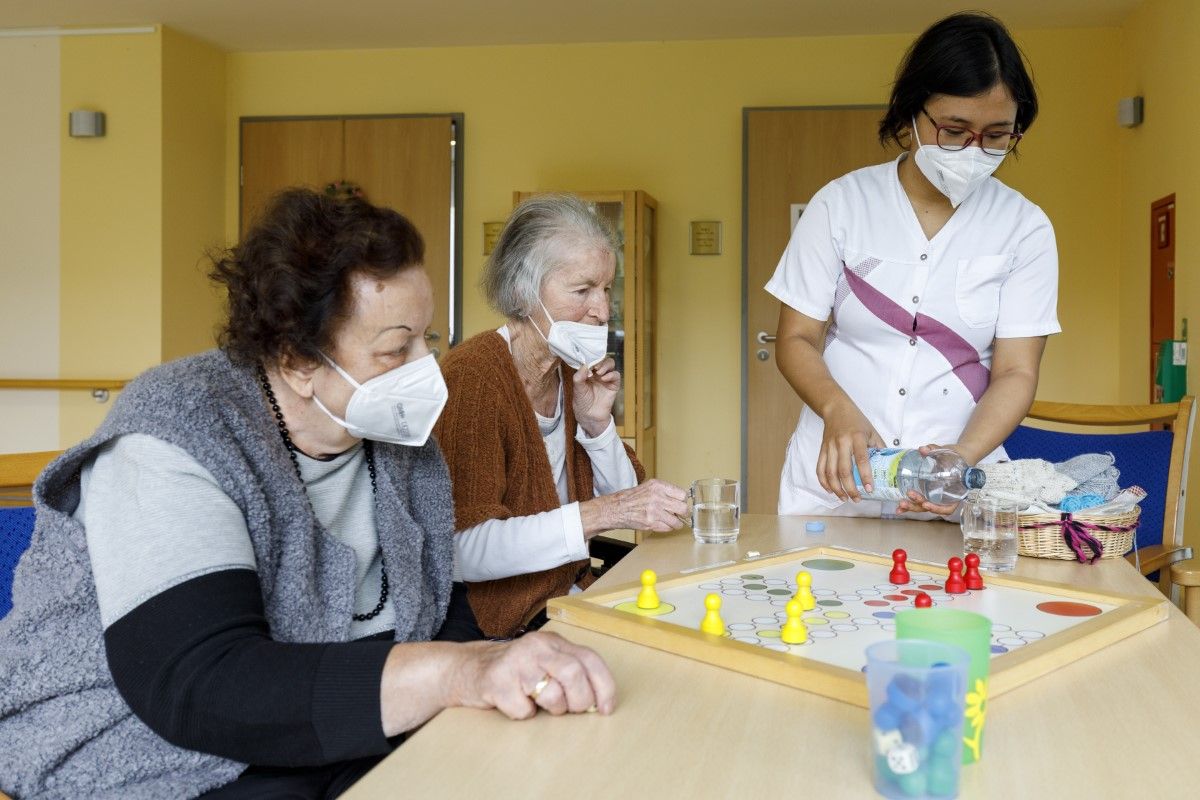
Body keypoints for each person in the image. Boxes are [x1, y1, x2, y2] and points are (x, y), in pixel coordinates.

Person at [0, 189, 615, 799]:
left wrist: (496, 664)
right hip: (151, 745)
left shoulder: (394, 436)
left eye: (426, 339)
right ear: (296, 359)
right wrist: (456, 673)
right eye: (395, 348)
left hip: (333, 726)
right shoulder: (176, 430)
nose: (424, 368)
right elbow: (205, 684)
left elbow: (435, 603)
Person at [767, 11, 1060, 518]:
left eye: (996, 135)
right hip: (838, 479)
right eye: (954, 129)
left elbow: (1016, 371)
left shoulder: (1024, 227)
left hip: (954, 491)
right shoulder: (841, 205)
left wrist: (959, 461)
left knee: (953, 600)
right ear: (911, 114)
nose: (973, 150)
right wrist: (838, 411)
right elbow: (795, 339)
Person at [434, 194, 689, 639]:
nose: (602, 310)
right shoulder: (472, 378)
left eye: (607, 288)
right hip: (494, 620)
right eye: (582, 290)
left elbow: (625, 501)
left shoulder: (569, 371)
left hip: (564, 594)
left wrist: (597, 426)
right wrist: (596, 515)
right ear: (522, 292)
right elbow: (462, 551)